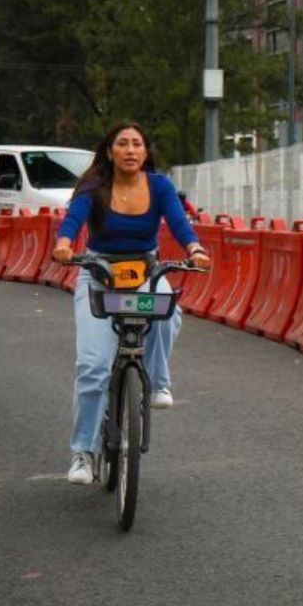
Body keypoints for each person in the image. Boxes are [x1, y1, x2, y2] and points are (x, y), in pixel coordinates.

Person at [52, 122, 210, 486]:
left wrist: (195, 249)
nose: (130, 150)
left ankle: (157, 383)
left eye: (137, 144)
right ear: (109, 151)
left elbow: (180, 223)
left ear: (145, 152)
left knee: (168, 312)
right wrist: (64, 244)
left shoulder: (160, 186)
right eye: (122, 143)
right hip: (98, 271)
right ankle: (83, 453)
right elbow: (73, 221)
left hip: (145, 270)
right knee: (92, 368)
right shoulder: (94, 187)